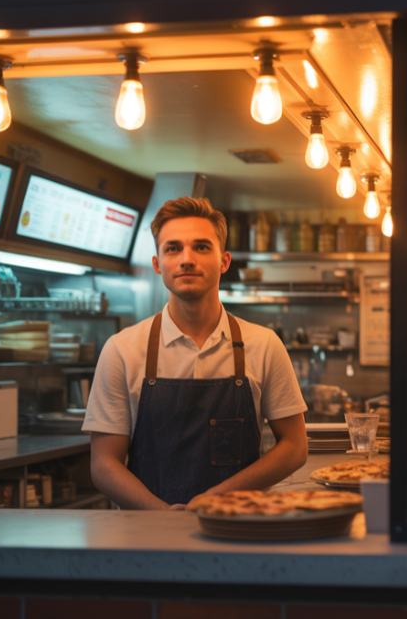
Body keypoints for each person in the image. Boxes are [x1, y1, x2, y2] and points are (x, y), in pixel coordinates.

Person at [83, 197, 308, 509]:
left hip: (239, 525)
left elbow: (295, 447)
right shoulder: (122, 350)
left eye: (201, 247)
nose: (186, 259)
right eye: (173, 248)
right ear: (158, 264)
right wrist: (162, 515)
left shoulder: (264, 345)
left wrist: (218, 498)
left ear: (224, 261)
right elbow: (104, 465)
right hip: (147, 533)